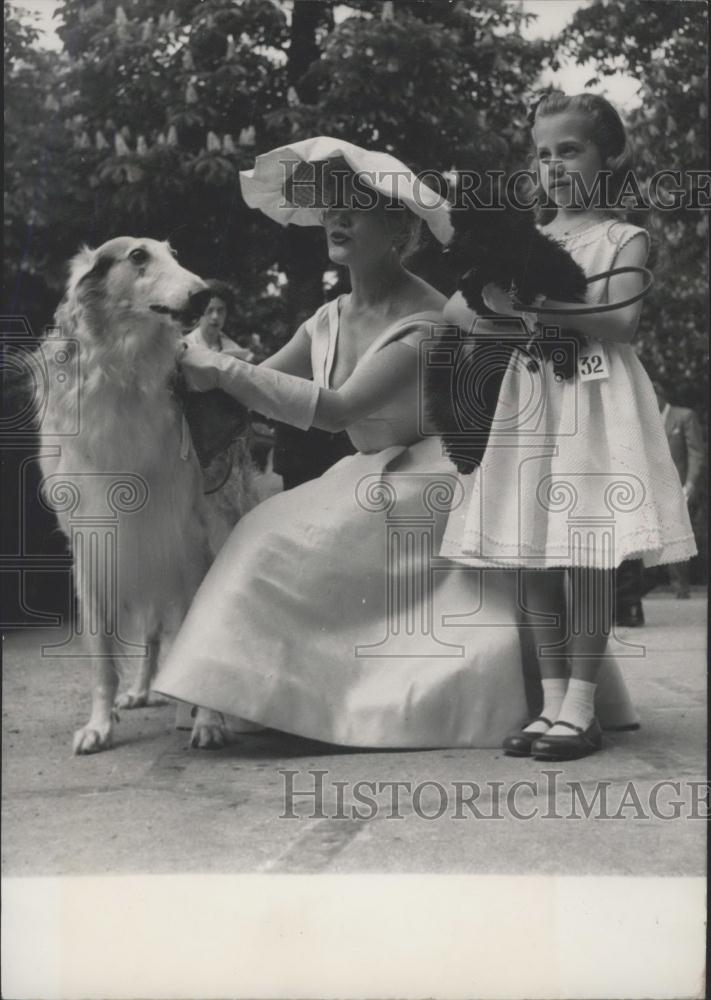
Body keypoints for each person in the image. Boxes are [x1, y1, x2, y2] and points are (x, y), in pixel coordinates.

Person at [440, 92, 697, 760]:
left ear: (607, 157)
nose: (553, 166)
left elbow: (617, 321)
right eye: (543, 154)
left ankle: (582, 705)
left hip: (592, 399)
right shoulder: (530, 238)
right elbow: (458, 310)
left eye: (569, 151)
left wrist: (534, 308)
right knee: (534, 549)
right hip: (532, 397)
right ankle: (550, 700)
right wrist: (500, 312)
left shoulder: (621, 236)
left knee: (583, 548)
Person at [653, 382, 705, 598]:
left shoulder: (684, 416)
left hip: (679, 486)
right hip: (652, 487)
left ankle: (680, 587)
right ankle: (647, 586)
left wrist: (690, 483)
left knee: (675, 533)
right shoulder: (644, 421)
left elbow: (696, 452)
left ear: (660, 395)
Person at [184, 280, 252, 359]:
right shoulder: (184, 346)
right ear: (198, 312)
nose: (215, 316)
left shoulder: (234, 350)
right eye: (209, 310)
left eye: (220, 310)